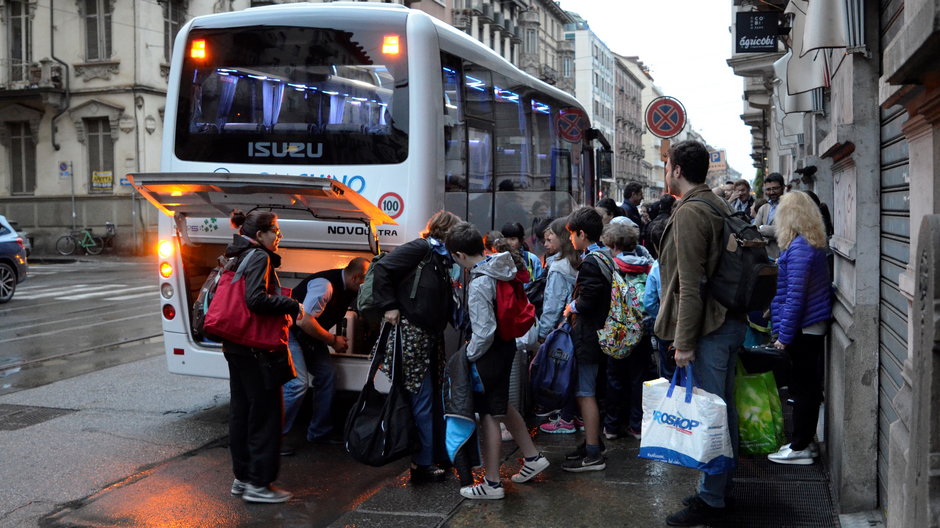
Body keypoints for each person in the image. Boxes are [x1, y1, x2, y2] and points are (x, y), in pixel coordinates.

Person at [655, 140, 746, 526]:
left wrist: (685, 342)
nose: (665, 172)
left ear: (676, 170)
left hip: (709, 326)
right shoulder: (717, 203)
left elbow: (691, 285)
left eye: (667, 166)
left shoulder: (693, 212)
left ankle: (711, 498)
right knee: (722, 410)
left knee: (711, 414)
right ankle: (722, 485)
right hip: (727, 320)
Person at [446, 222, 550, 499]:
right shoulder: (501, 266)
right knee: (502, 405)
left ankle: (491, 483)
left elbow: (484, 332)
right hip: (506, 346)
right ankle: (532, 457)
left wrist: (467, 357)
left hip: (488, 354)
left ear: (459, 255)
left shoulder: (480, 282)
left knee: (489, 415)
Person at [371, 210, 461, 483]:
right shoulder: (422, 249)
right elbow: (383, 269)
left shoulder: (439, 256)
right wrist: (389, 306)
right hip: (412, 335)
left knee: (429, 397)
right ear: (446, 231)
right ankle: (421, 464)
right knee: (423, 397)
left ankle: (431, 456)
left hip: (427, 336)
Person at [222, 209, 303, 504]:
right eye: (276, 231)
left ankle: (243, 479)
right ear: (260, 235)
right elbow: (255, 299)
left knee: (242, 412)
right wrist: (291, 304)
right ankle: (259, 484)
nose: (279, 236)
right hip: (257, 347)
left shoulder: (237, 253)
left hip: (236, 344)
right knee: (266, 413)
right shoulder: (259, 257)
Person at [766, 192, 833, 465]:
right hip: (807, 325)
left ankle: (800, 447)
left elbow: (796, 297)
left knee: (803, 388)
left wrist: (784, 336)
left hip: (804, 327)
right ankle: (803, 444)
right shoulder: (804, 244)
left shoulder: (800, 248)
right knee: (805, 387)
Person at [281, 257, 370, 454]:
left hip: (308, 336)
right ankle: (272, 439)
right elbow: (303, 321)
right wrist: (332, 340)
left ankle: (319, 432)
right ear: (356, 277)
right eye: (366, 281)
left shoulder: (349, 288)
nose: (367, 286)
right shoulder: (325, 286)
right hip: (290, 332)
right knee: (296, 384)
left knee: (327, 375)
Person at [561, 206, 612, 472]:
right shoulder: (604, 255)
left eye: (572, 234)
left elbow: (589, 299)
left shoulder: (592, 261)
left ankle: (593, 454)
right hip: (599, 335)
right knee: (592, 391)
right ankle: (593, 442)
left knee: (585, 393)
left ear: (582, 234)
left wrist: (572, 307)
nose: (570, 239)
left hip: (589, 337)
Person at [601, 222, 654, 441]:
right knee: (638, 379)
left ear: (613, 244)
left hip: (616, 331)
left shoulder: (611, 266)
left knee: (614, 378)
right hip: (641, 330)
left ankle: (612, 426)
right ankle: (636, 425)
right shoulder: (647, 266)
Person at [536, 217, 583, 435]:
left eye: (550, 237)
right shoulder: (581, 260)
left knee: (564, 374)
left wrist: (544, 333)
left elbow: (552, 305)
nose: (546, 242)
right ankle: (576, 415)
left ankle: (565, 417)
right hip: (579, 327)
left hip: (563, 329)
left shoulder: (558, 268)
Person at [644, 214, 674, 379]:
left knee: (668, 371)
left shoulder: (656, 267)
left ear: (656, 246)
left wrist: (660, 315)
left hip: (665, 328)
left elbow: (648, 302)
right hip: (688, 325)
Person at [753, 172, 785, 259]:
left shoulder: (790, 206)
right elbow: (754, 231)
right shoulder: (764, 208)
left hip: (783, 255)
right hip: (765, 256)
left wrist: (763, 229)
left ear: (783, 187)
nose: (771, 192)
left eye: (775, 188)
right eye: (768, 189)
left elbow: (787, 232)